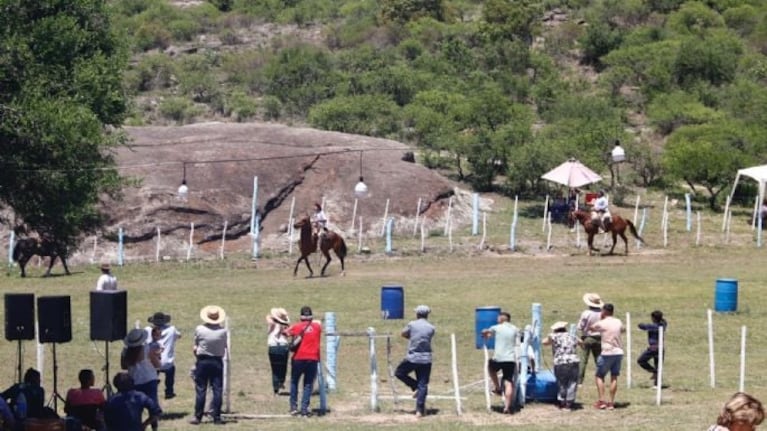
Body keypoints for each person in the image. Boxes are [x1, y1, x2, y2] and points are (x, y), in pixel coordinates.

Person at [395, 305, 435, 418]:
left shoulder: (412, 324)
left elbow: (403, 333)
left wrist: (411, 338)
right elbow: (427, 338)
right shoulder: (431, 327)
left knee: (399, 373)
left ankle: (414, 385)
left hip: (413, 357)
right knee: (423, 384)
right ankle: (419, 411)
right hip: (426, 358)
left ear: (417, 314)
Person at [190, 305, 228, 425]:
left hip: (203, 361)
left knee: (201, 389)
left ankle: (198, 416)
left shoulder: (200, 329)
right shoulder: (223, 331)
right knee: (217, 389)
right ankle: (216, 417)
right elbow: (224, 347)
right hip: (217, 361)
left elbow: (195, 347)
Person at [285, 306, 322, 417]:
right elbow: (319, 323)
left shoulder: (297, 327)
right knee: (308, 384)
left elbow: (285, 333)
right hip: (313, 359)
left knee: (294, 382)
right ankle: (304, 409)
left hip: (298, 358)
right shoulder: (317, 327)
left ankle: (293, 407)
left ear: (301, 317)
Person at [121, 329, 161, 430]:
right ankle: (152, 427)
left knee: (136, 408)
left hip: (134, 382)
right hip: (150, 380)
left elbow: (123, 366)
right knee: (153, 407)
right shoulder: (147, 348)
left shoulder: (125, 351)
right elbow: (157, 364)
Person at [481, 311, 519, 414]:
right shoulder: (515, 329)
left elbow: (486, 332)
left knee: (490, 367)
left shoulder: (496, 327)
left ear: (501, 319)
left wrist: (484, 332)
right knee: (508, 382)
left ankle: (497, 388)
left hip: (498, 358)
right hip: (510, 359)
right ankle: (507, 407)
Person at [589, 303, 624, 410]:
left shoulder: (602, 323)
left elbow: (591, 328)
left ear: (604, 311)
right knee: (614, 377)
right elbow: (623, 330)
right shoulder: (618, 321)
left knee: (599, 376)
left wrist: (600, 319)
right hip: (618, 352)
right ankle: (611, 402)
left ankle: (602, 401)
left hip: (607, 352)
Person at [542, 321, 582, 410]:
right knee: (572, 382)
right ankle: (569, 403)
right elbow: (581, 343)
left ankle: (562, 401)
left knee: (562, 382)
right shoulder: (572, 336)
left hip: (560, 361)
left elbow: (544, 342)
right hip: (573, 360)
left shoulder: (553, 336)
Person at [147, 312, 181, 400]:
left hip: (153, 361)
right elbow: (179, 335)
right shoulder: (172, 329)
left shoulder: (147, 330)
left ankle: (152, 392)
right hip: (167, 362)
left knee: (153, 377)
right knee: (170, 371)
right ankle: (169, 391)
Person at [577, 293, 603, 385]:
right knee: (599, 359)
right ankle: (601, 378)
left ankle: (579, 381)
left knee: (583, 359)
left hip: (587, 337)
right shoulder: (602, 313)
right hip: (599, 337)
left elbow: (580, 326)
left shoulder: (586, 313)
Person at [637, 310, 668, 387]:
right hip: (661, 348)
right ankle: (657, 384)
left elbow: (641, 326)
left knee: (641, 360)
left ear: (653, 318)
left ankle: (654, 371)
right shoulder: (663, 325)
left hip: (653, 348)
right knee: (658, 364)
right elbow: (665, 321)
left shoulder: (652, 326)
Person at [266, 308, 290, 395]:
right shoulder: (286, 324)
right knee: (283, 366)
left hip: (273, 346)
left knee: (274, 368)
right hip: (283, 345)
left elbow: (268, 331)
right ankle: (281, 381)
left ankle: (276, 387)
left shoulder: (272, 323)